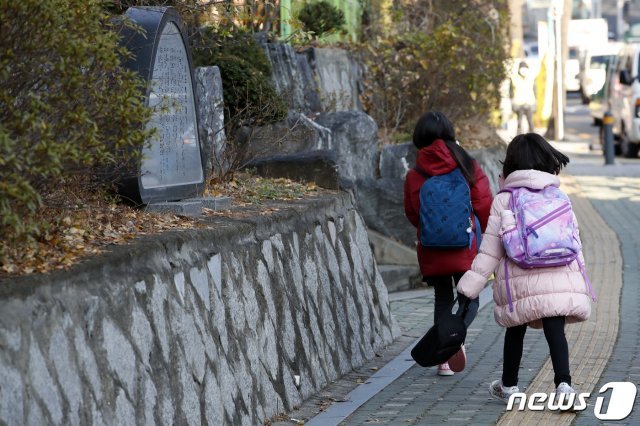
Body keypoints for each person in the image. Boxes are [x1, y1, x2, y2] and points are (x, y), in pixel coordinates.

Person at [456, 133, 593, 402]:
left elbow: (490, 249)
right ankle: (564, 386)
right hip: (559, 275)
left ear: (510, 163)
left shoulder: (505, 199)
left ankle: (510, 387)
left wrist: (468, 288)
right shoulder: (559, 195)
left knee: (515, 330)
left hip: (519, 278)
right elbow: (574, 241)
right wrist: (583, 280)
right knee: (556, 330)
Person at [403, 111, 493, 376]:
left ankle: (443, 361)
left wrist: (431, 230)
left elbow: (412, 211)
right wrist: (485, 235)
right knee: (470, 297)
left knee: (442, 298)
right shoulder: (467, 164)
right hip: (465, 244)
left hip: (432, 247)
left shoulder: (415, 172)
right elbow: (484, 203)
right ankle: (454, 340)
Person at [510, 61, 536, 134]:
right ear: (519, 69)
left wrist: (535, 103)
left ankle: (532, 138)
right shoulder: (514, 78)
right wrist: (512, 102)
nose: (523, 71)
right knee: (519, 121)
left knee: (530, 121)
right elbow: (511, 91)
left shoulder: (531, 78)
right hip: (519, 103)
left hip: (529, 102)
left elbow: (535, 90)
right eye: (522, 69)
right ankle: (519, 139)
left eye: (525, 69)